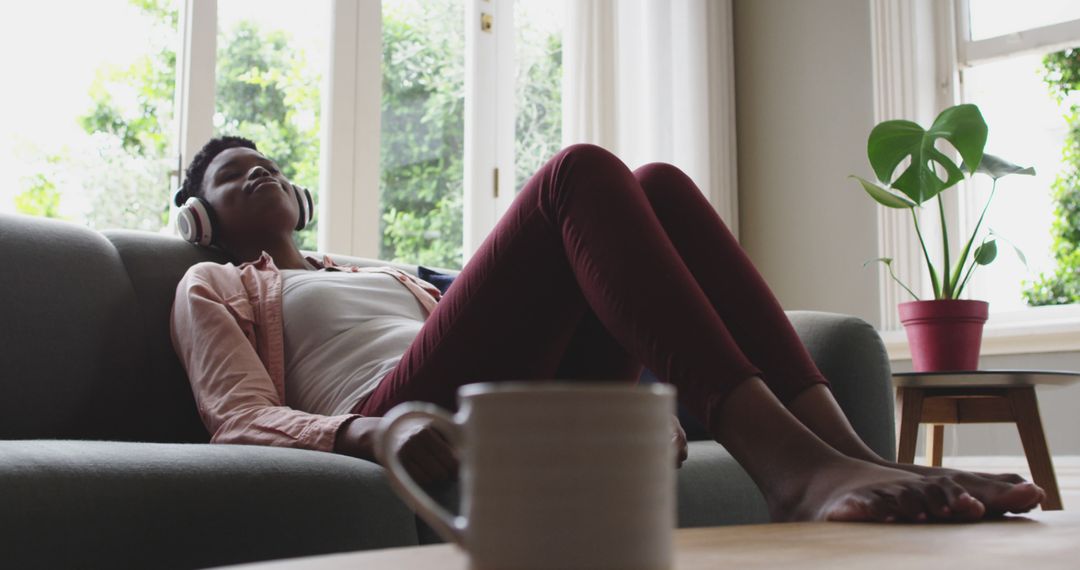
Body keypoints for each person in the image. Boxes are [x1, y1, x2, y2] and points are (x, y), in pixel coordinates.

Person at [170, 136, 1045, 524]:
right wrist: (376, 427)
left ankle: (851, 453)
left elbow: (520, 333)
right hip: (397, 410)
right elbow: (240, 417)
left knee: (657, 183)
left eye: (269, 165)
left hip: (493, 403)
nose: (260, 174)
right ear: (199, 219)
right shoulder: (211, 282)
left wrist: (619, 409)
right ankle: (791, 471)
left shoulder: (381, 271)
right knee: (576, 173)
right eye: (234, 175)